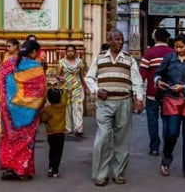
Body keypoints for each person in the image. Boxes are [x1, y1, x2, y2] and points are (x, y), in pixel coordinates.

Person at [85, 29, 144, 186]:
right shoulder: (99, 59)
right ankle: (101, 175)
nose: (120, 42)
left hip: (124, 101)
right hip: (104, 103)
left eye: (121, 39)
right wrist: (97, 90)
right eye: (117, 39)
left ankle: (119, 174)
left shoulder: (129, 60)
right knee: (103, 138)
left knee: (122, 140)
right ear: (109, 40)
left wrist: (139, 98)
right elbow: (89, 78)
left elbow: (137, 80)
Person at [153, 33, 185, 180]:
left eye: (181, 47)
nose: (179, 49)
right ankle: (166, 159)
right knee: (172, 132)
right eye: (176, 47)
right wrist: (158, 81)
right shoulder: (169, 58)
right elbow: (158, 73)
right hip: (171, 99)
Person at [0, 40, 46, 181]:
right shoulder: (35, 66)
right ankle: (22, 170)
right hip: (27, 109)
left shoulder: (9, 62)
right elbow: (40, 90)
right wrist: (39, 107)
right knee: (26, 139)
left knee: (10, 138)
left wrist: (5, 101)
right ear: (34, 52)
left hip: (8, 109)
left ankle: (10, 168)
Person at [140, 28, 173, 156]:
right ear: (167, 39)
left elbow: (142, 74)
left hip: (152, 92)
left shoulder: (149, 53)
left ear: (155, 39)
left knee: (152, 121)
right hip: (169, 93)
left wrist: (137, 93)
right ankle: (167, 147)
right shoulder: (173, 53)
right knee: (167, 120)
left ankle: (154, 147)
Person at [57, 43, 86, 138]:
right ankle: (68, 128)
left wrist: (85, 87)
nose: (70, 53)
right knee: (67, 107)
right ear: (66, 52)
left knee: (77, 106)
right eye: (68, 51)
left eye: (72, 51)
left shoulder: (80, 63)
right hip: (65, 87)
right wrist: (59, 78)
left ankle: (78, 128)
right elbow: (57, 75)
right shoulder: (61, 63)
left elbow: (82, 76)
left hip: (77, 87)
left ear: (75, 52)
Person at [41, 87, 67, 178]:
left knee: (52, 150)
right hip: (61, 133)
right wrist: (62, 89)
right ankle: (55, 170)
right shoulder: (63, 106)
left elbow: (43, 119)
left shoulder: (48, 109)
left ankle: (51, 168)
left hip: (51, 133)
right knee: (58, 152)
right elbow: (65, 95)